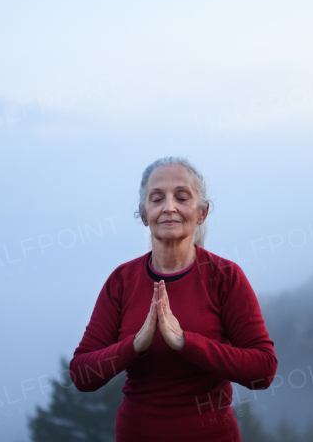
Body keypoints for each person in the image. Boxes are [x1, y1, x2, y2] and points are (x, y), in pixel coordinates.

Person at [70, 157, 278, 441]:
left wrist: (186, 342)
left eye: (181, 197)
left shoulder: (226, 277)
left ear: (202, 212)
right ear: (144, 214)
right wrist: (134, 345)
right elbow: (82, 374)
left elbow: (263, 369)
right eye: (157, 199)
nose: (169, 207)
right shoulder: (122, 281)